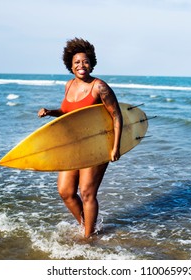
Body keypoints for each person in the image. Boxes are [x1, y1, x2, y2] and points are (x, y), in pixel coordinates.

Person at [38, 38, 123, 238]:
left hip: (96, 144)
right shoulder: (68, 85)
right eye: (76, 62)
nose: (81, 66)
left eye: (85, 62)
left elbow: (117, 115)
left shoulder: (99, 87)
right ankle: (89, 226)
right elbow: (70, 113)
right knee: (66, 191)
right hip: (73, 145)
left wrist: (115, 147)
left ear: (91, 63)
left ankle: (88, 238)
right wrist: (51, 112)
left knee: (86, 192)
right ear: (70, 65)